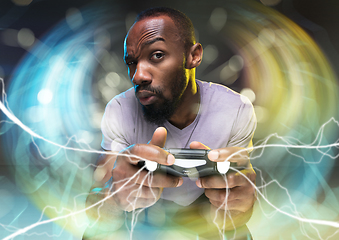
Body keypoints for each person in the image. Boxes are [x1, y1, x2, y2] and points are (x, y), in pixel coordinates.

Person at [84, 7, 257, 240]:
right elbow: (95, 208)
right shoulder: (119, 109)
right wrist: (114, 197)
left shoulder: (235, 108)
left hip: (204, 215)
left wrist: (239, 206)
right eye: (131, 62)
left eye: (157, 55)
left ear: (193, 56)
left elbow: (239, 199)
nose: (138, 76)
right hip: (140, 219)